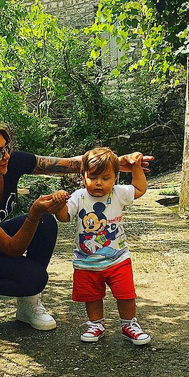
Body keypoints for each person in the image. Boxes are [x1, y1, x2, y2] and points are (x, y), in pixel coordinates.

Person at [0, 121, 152, 331]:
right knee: (34, 279)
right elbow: (13, 249)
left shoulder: (11, 163)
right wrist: (33, 214)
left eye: (6, 148)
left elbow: (68, 164)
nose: (6, 156)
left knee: (46, 222)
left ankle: (28, 303)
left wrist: (114, 162)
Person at [54, 146, 150, 345]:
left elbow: (139, 189)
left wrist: (136, 167)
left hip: (118, 258)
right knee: (92, 296)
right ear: (83, 176)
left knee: (126, 294)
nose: (99, 182)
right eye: (93, 177)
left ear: (115, 178)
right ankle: (95, 324)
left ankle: (129, 324)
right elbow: (64, 217)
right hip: (86, 261)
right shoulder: (79, 196)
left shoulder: (118, 193)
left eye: (106, 178)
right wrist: (58, 204)